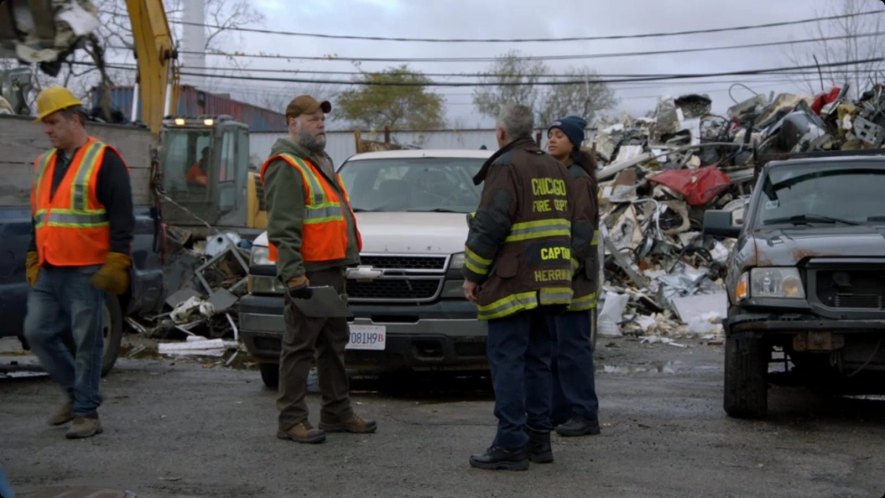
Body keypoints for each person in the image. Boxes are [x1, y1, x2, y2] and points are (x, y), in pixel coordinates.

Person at [463, 104, 586, 471]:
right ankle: (538, 441)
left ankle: (511, 444)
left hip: (514, 284)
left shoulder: (505, 167)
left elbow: (490, 226)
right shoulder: (556, 168)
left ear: (502, 133)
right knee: (537, 362)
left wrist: (473, 274)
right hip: (551, 285)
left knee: (509, 362)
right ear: (531, 133)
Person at [261, 94, 376, 444]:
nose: (321, 123)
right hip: (309, 271)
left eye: (322, 118)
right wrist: (295, 276)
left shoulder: (319, 160)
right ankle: (291, 419)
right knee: (299, 346)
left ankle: (336, 411)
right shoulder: (287, 165)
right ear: (292, 122)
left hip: (331, 266)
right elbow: (284, 228)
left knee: (333, 343)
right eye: (312, 118)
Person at [24, 86, 134, 439]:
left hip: (88, 269)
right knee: (37, 332)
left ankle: (87, 413)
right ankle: (76, 394)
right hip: (50, 266)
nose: (48, 129)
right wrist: (32, 253)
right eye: (45, 124)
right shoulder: (44, 163)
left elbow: (122, 215)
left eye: (53, 122)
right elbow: (41, 215)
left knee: (87, 343)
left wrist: (118, 259)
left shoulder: (104, 159)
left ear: (75, 120)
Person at [546, 115, 603, 437]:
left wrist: (564, 271)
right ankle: (560, 411)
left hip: (575, 279)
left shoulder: (577, 180)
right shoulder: (557, 174)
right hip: (557, 277)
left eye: (559, 135)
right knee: (555, 348)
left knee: (573, 349)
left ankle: (585, 414)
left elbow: (581, 233)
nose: (552, 140)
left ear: (574, 142)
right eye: (550, 134)